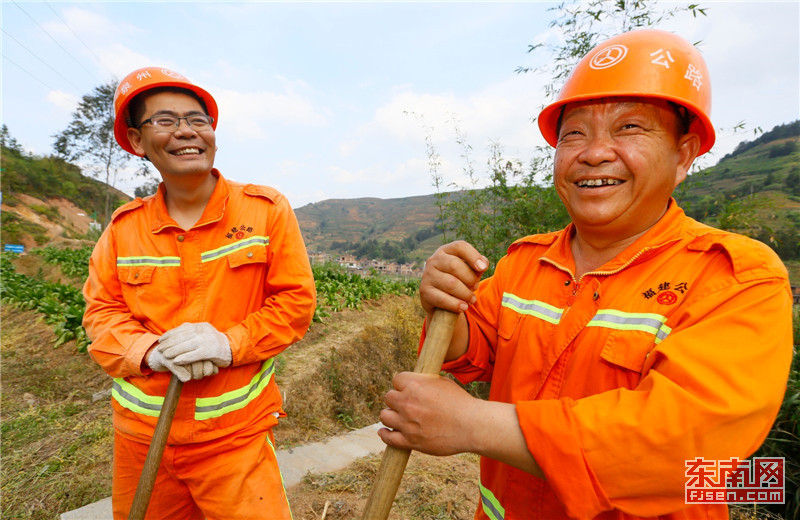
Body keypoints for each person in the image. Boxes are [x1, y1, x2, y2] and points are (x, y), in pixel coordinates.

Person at [378, 29, 793, 520]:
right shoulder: (524, 263)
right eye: (574, 133)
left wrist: (474, 424)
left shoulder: (735, 277)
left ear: (684, 154)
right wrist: (446, 303)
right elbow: (473, 354)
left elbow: (687, 449)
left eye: (630, 128)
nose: (594, 152)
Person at [82, 67, 316, 520]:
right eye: (165, 121)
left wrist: (229, 344)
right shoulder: (122, 231)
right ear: (135, 139)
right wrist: (149, 352)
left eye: (198, 119)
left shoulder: (265, 211)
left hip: (235, 440)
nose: (186, 131)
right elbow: (102, 313)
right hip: (142, 437)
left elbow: (294, 304)